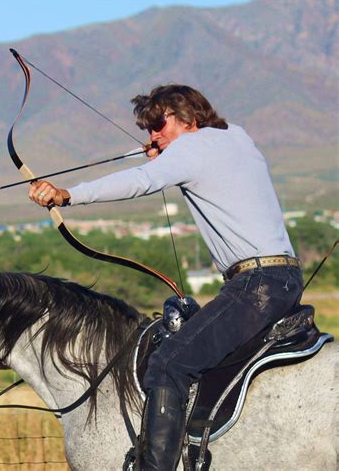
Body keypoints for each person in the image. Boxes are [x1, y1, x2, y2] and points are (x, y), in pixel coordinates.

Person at [28, 85, 303, 470]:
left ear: (187, 117)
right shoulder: (236, 136)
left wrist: (67, 195)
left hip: (254, 286)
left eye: (158, 124)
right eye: (147, 129)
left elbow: (140, 180)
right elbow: (197, 164)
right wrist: (167, 154)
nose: (152, 135)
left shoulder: (191, 148)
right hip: (286, 279)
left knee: (168, 363)